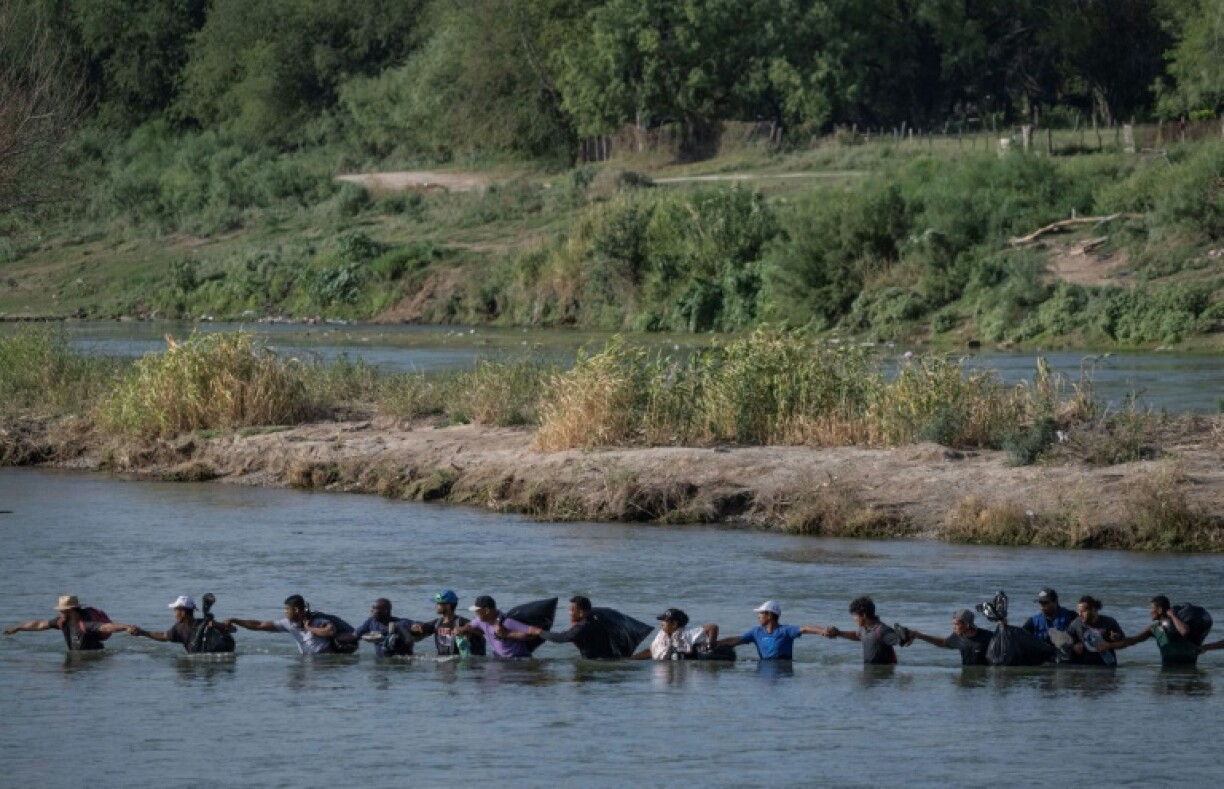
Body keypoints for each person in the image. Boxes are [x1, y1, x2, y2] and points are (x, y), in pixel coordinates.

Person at [4, 595, 136, 651]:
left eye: (62, 610)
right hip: (76, 658)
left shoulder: (86, 623)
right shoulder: (62, 621)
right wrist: (18, 627)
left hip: (91, 660)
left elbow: (106, 627)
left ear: (72, 610)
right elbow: (39, 624)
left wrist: (126, 627)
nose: (59, 612)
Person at [1099, 596, 1202, 666]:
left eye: (1151, 608)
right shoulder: (1153, 628)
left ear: (1160, 610)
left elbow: (1184, 631)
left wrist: (1173, 615)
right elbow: (1133, 640)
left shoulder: (1178, 624)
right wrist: (1115, 641)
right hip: (1168, 668)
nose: (1149, 612)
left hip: (1188, 668)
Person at [224, 594, 338, 654]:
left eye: (287, 609)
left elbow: (331, 631)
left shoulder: (316, 620)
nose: (285, 612)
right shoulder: (288, 624)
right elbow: (258, 625)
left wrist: (309, 628)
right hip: (309, 662)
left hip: (325, 663)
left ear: (297, 610)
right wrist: (235, 621)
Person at [714, 601, 824, 660]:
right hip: (764, 665)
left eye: (761, 613)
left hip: (783, 667)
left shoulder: (785, 631)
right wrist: (717, 643)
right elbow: (737, 640)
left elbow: (805, 629)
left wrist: (822, 631)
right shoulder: (756, 632)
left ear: (770, 615)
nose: (758, 616)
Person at [129, 595, 236, 652]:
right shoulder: (178, 629)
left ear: (183, 612)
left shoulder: (205, 624)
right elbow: (163, 636)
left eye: (175, 611)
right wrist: (142, 632)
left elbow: (233, 629)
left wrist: (219, 626)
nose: (174, 614)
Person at [529, 595, 620, 659]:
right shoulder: (595, 619)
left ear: (581, 612)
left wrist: (538, 632)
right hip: (609, 656)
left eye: (571, 610)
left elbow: (561, 638)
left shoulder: (584, 627)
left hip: (599, 662)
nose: (569, 613)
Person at [822, 596, 902, 664]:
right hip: (869, 672)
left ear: (863, 615)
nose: (854, 619)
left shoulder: (882, 630)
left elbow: (899, 639)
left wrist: (907, 636)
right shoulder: (864, 629)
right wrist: (838, 633)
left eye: (855, 616)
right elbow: (857, 635)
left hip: (883, 678)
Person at [902, 608, 992, 666]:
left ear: (967, 624)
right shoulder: (958, 637)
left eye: (956, 624)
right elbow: (943, 642)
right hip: (967, 676)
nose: (954, 627)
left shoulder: (987, 636)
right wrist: (919, 636)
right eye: (953, 624)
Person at [456, 595, 537, 658]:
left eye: (477, 611)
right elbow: (470, 625)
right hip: (498, 658)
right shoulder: (480, 620)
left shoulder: (506, 622)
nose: (475, 613)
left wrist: (507, 634)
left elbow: (531, 635)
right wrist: (461, 629)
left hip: (519, 659)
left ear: (487, 611)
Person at [411, 590, 486, 657]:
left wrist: (464, 631)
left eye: (439, 603)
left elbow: (481, 630)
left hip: (459, 666)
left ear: (448, 606)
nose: (436, 606)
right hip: (441, 663)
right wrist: (416, 628)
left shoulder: (462, 622)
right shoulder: (436, 623)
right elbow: (422, 629)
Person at [335, 598, 416, 657]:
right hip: (382, 659)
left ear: (385, 611)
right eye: (372, 608)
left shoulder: (400, 622)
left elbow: (419, 627)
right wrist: (336, 637)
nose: (372, 611)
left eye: (375, 609)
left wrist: (418, 627)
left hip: (399, 658)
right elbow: (354, 635)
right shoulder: (371, 622)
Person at [631, 608, 720, 660]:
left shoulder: (687, 633)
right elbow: (651, 651)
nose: (661, 623)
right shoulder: (662, 635)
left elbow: (713, 627)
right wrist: (631, 659)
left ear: (674, 624)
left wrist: (710, 646)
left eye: (664, 621)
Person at [1064, 595, 1124, 666]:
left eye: (1083, 611)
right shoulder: (1075, 624)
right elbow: (1064, 643)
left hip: (1106, 668)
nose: (1080, 614)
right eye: (1079, 611)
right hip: (1084, 668)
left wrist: (1114, 641)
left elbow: (1124, 643)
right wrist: (1074, 646)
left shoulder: (1109, 622)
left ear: (1094, 610)